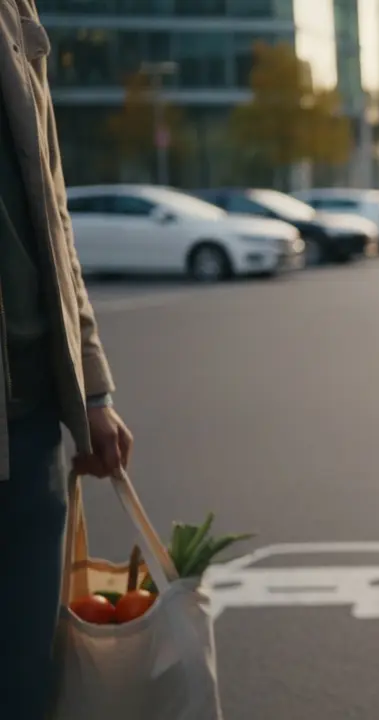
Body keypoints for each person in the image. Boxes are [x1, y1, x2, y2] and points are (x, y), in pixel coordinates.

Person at [0, 4, 134, 715]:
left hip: (29, 417)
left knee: (25, 677)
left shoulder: (17, 16)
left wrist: (94, 388)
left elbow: (53, 217)